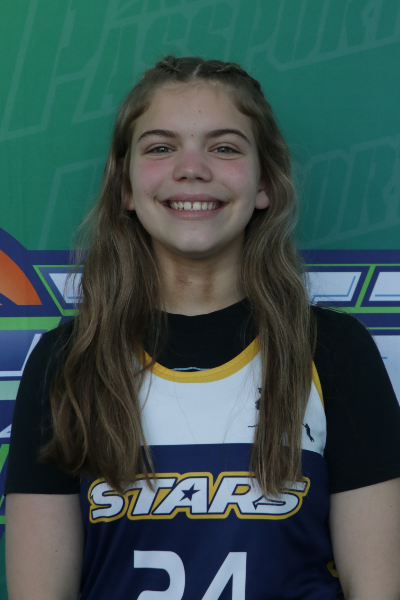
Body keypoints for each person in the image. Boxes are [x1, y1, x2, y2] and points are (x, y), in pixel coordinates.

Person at [4, 56, 400, 600]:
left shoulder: (332, 353)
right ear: (125, 187)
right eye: (160, 148)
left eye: (225, 148)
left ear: (265, 183)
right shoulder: (68, 363)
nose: (192, 168)